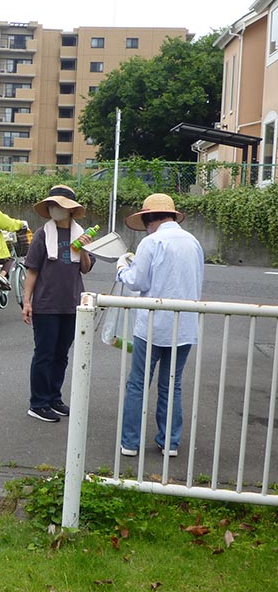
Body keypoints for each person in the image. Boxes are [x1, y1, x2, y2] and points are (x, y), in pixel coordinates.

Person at [117, 193, 204, 458]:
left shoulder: (151, 242)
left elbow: (138, 281)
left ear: (149, 219)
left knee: (138, 384)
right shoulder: (193, 242)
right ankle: (169, 442)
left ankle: (130, 443)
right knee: (172, 384)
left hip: (153, 324)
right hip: (186, 323)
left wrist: (122, 268)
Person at [22, 185, 95, 423]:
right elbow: (32, 269)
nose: (54, 209)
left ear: (71, 210)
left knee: (61, 354)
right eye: (51, 205)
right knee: (44, 354)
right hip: (45, 303)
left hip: (72, 303)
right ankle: (38, 403)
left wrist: (83, 249)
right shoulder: (44, 234)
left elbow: (85, 268)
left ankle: (54, 397)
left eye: (59, 205)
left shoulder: (81, 234)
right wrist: (27, 301)